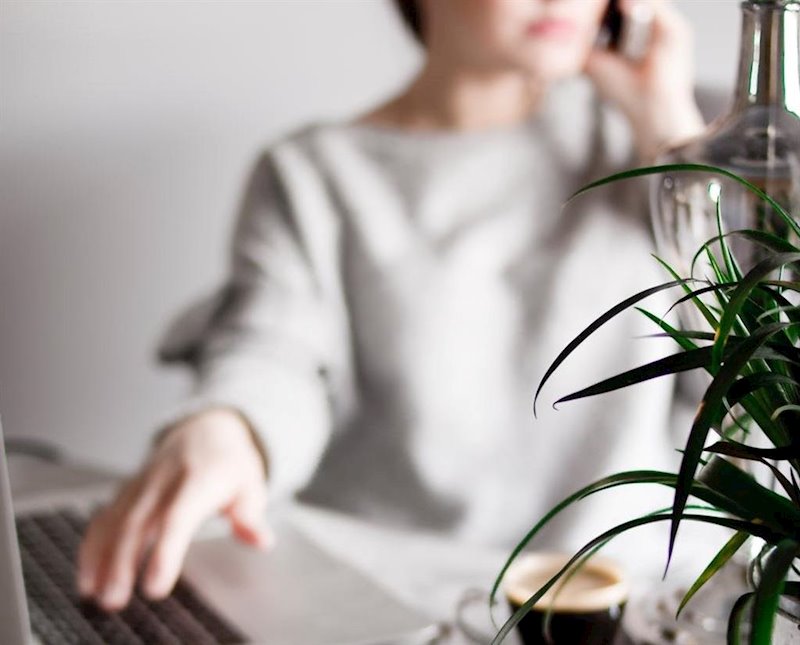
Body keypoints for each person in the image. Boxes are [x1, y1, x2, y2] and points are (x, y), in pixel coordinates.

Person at [78, 0, 705, 612]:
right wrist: (230, 427)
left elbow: (739, 382)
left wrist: (671, 137)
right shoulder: (313, 172)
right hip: (388, 605)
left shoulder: (655, 151)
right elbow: (272, 349)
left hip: (619, 606)